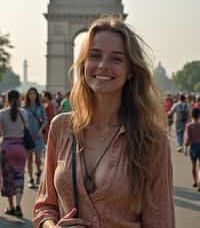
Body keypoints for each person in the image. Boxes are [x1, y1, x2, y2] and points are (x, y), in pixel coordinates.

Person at [33, 16, 175, 228]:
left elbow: (160, 222)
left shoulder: (152, 139)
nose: (102, 66)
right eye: (94, 55)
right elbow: (45, 206)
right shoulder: (60, 127)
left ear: (130, 71)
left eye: (116, 59)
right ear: (83, 65)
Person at [0, 90, 28, 217]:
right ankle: (18, 205)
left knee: (8, 178)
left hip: (7, 147)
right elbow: (24, 129)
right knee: (19, 176)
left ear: (7, 99)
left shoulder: (2, 113)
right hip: (21, 147)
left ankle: (11, 207)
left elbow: (1, 133)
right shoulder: (24, 113)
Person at [24, 87, 47, 188]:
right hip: (28, 136)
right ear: (27, 95)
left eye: (34, 94)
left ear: (36, 95)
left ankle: (38, 172)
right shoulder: (24, 108)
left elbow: (45, 120)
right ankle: (31, 179)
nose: (32, 95)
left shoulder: (40, 107)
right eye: (30, 94)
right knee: (29, 159)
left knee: (38, 159)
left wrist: (41, 130)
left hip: (38, 135)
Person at [184, 107, 200, 191]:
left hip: (193, 147)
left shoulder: (189, 125)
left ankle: (196, 182)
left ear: (191, 115)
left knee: (194, 165)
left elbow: (188, 138)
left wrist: (186, 148)